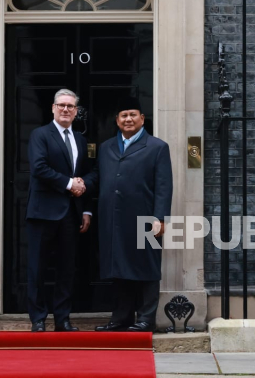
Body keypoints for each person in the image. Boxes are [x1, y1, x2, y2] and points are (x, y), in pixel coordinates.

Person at [89, 97, 172, 332]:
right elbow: (97, 176)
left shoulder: (157, 147)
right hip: (113, 220)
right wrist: (78, 184)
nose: (128, 119)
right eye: (123, 115)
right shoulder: (106, 148)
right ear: (117, 121)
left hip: (146, 218)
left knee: (147, 268)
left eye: (133, 114)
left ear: (142, 119)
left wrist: (160, 217)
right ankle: (121, 317)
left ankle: (146, 318)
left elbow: (164, 185)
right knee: (118, 268)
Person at [26, 89, 94, 332]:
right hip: (43, 212)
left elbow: (87, 174)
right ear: (53, 108)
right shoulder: (40, 135)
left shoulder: (81, 140)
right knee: (38, 267)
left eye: (70, 106)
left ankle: (62, 319)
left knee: (67, 268)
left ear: (76, 112)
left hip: (71, 213)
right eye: (61, 105)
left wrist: (86, 209)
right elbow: (39, 168)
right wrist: (69, 184)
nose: (66, 109)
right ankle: (38, 318)